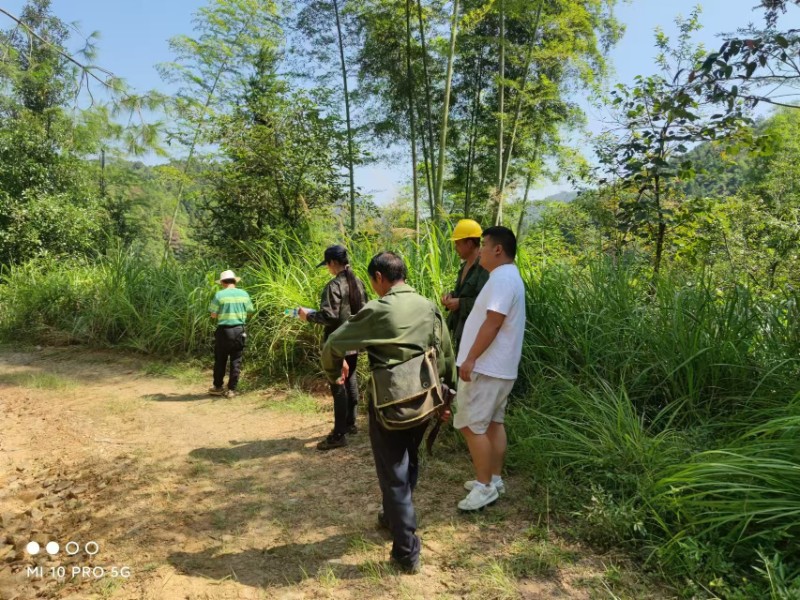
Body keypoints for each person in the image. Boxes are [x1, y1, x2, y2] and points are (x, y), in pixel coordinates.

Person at [321, 252, 456, 574]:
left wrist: (334, 373)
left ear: (379, 278)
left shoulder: (378, 309)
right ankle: (391, 515)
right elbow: (446, 353)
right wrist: (447, 398)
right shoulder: (428, 305)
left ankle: (406, 550)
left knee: (393, 472)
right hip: (426, 399)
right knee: (409, 458)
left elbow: (332, 346)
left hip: (390, 403)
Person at [454, 226, 526, 511]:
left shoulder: (501, 279)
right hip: (501, 368)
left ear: (498, 249)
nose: (480, 250)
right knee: (494, 424)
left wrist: (470, 358)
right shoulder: (510, 277)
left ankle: (484, 487)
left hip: (487, 367)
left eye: (484, 245)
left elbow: (493, 322)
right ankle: (494, 480)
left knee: (472, 426)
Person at [298, 245, 369, 451]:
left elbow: (329, 317)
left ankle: (339, 434)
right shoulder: (358, 282)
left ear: (331, 263)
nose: (327, 268)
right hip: (355, 340)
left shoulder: (334, 286)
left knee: (338, 383)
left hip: (338, 343)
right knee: (351, 377)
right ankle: (350, 423)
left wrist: (308, 316)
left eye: (327, 265)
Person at [441, 219, 490, 355]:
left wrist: (460, 304)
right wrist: (451, 297)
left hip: (476, 333)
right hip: (461, 330)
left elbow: (487, 303)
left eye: (457, 243)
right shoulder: (464, 267)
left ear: (469, 243)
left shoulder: (484, 267)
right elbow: (462, 293)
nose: (455, 247)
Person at [208, 269, 255, 398]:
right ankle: (231, 390)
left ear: (223, 282)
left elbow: (213, 314)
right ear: (234, 281)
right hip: (239, 330)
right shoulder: (244, 294)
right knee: (236, 360)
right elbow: (250, 310)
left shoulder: (219, 295)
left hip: (223, 331)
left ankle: (218, 387)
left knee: (220, 360)